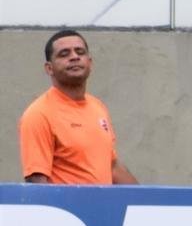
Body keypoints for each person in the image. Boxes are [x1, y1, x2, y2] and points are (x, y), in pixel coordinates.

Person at [19, 29, 138, 185]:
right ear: (49, 68)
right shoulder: (39, 114)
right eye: (64, 54)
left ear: (90, 62)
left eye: (80, 52)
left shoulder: (98, 107)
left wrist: (146, 198)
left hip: (103, 202)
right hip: (65, 202)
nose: (74, 57)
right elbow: (36, 180)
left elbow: (112, 166)